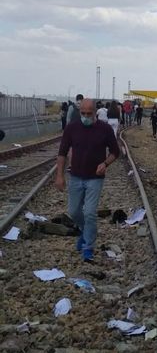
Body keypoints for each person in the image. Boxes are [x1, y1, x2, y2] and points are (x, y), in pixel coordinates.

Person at [55, 97, 119, 262]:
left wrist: (105, 163)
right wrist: (59, 175)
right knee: (74, 212)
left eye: (89, 113)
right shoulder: (72, 128)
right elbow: (62, 153)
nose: (85, 116)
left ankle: (88, 246)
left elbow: (115, 152)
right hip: (76, 176)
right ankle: (86, 231)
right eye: (82, 113)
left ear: (95, 112)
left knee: (89, 213)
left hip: (95, 178)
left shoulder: (105, 129)